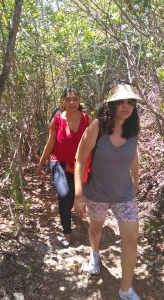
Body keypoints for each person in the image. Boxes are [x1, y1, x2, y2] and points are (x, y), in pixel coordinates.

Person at [74, 82, 144, 300]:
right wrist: (78, 195)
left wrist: (136, 178)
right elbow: (80, 159)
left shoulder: (133, 128)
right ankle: (94, 253)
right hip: (97, 192)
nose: (126, 106)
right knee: (96, 228)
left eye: (130, 102)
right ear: (110, 104)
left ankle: (125, 289)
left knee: (131, 239)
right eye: (120, 102)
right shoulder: (97, 127)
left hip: (124, 193)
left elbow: (133, 154)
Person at [37, 86, 92, 247]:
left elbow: (92, 144)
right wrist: (41, 163)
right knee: (64, 194)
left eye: (75, 98)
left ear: (79, 100)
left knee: (75, 195)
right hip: (59, 161)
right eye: (68, 99)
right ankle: (67, 232)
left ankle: (69, 211)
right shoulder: (57, 120)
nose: (72, 102)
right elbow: (50, 143)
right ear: (63, 101)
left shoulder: (87, 119)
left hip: (79, 165)